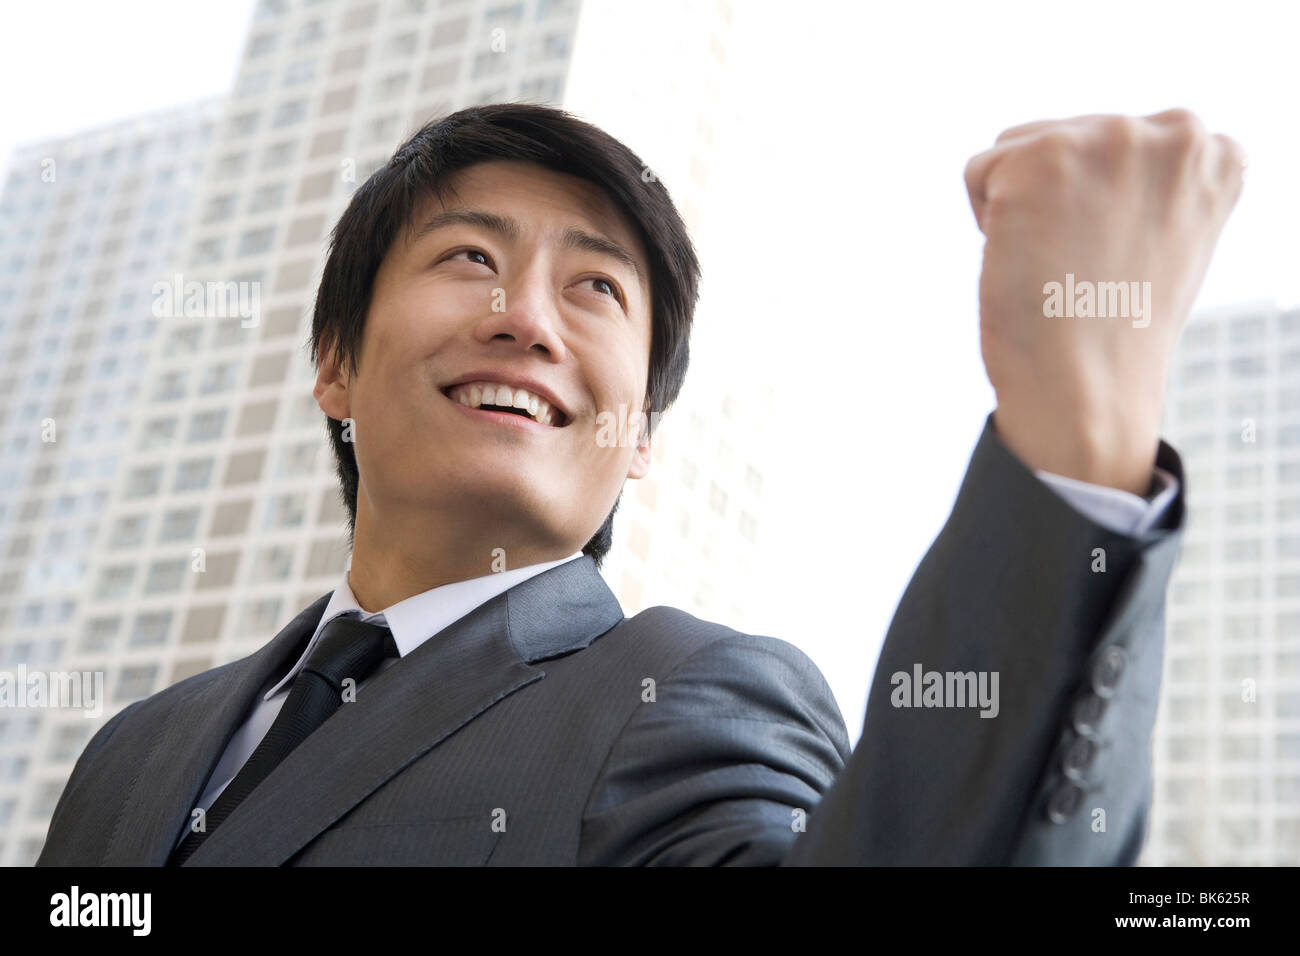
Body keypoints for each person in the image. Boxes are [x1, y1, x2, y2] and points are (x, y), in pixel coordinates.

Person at [36, 102, 1243, 865]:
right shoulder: (134, 753)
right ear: (335, 365)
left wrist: (1077, 421)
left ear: (641, 435)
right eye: (469, 257)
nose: (524, 319)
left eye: (596, 288)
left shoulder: (687, 699)